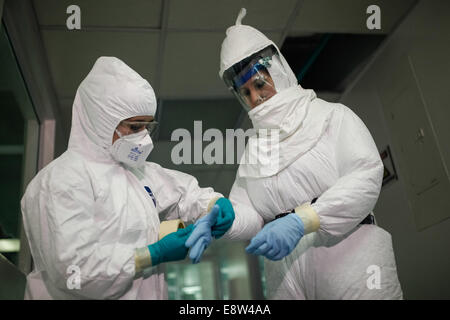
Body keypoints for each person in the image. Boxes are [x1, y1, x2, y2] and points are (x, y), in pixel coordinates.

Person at [187, 8, 403, 299]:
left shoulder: (331, 117)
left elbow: (365, 176)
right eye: (245, 92)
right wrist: (221, 221)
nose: (255, 97)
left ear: (277, 71)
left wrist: (305, 219)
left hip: (350, 257)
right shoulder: (255, 151)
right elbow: (249, 213)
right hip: (284, 273)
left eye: (260, 83)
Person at [20, 56, 234, 299]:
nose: (143, 137)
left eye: (147, 126)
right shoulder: (61, 179)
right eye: (134, 127)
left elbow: (181, 194)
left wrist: (212, 203)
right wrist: (151, 254)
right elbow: (73, 270)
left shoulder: (135, 173)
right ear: (101, 122)